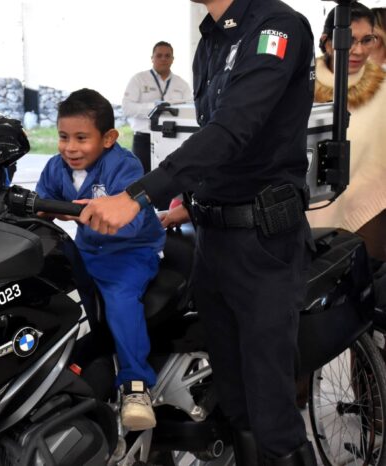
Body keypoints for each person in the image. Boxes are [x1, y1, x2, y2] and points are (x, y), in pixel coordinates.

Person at [80, 0, 318, 463]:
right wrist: (186, 202)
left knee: (272, 416)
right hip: (213, 240)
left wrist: (138, 194)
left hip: (262, 245)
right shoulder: (213, 36)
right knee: (236, 406)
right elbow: (220, 139)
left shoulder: (277, 27)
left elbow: (234, 130)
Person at [36, 88, 165, 431]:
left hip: (132, 251)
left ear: (108, 138)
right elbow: (40, 203)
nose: (70, 147)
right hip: (90, 250)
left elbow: (135, 219)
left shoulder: (125, 166)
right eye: (63, 137)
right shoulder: (55, 166)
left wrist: (97, 213)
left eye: (81, 138)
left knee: (120, 299)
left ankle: (135, 386)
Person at [308, 3, 386, 262]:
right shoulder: (298, 84)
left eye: (367, 40)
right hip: (304, 210)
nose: (359, 50)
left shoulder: (383, 87)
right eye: (349, 40)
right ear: (327, 42)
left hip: (369, 213)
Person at [122, 41, 192, 173]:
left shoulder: (182, 84)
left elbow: (189, 111)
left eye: (167, 55)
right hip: (144, 139)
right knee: (141, 182)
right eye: (159, 55)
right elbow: (127, 108)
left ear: (173, 59)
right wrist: (155, 108)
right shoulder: (139, 79)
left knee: (170, 180)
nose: (163, 59)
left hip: (173, 139)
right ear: (152, 58)